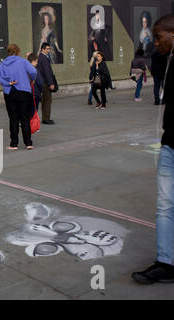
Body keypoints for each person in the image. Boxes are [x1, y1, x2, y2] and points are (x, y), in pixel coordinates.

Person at [132, 13, 174, 285]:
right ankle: (166, 262)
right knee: (164, 206)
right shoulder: (167, 60)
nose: (155, 43)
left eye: (159, 37)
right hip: (170, 144)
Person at [0, 44, 37, 151]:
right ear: (18, 51)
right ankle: (28, 143)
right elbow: (33, 71)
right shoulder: (23, 61)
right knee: (25, 118)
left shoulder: (3, 63)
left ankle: (14, 144)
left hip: (10, 93)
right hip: (24, 92)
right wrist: (31, 79)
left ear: (8, 51)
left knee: (13, 119)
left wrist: (7, 83)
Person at [37, 43, 56, 125]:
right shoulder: (44, 58)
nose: (48, 50)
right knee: (47, 101)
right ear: (42, 49)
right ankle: (46, 118)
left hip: (41, 83)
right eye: (47, 49)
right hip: (45, 84)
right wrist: (51, 83)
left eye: (49, 49)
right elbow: (47, 72)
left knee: (43, 101)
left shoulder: (39, 57)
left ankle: (44, 118)